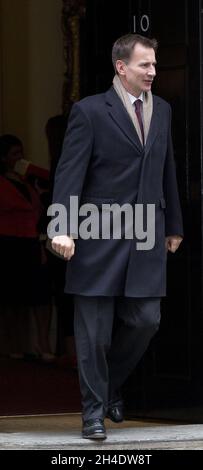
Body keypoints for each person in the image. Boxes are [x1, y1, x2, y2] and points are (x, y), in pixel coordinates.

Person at [50, 34, 183, 440]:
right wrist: (62, 226)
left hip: (145, 231)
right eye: (146, 65)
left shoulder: (162, 110)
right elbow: (69, 173)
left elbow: (167, 167)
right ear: (121, 67)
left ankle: (107, 390)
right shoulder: (89, 112)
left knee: (146, 319)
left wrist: (174, 224)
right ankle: (93, 414)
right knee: (94, 332)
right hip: (95, 233)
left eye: (155, 64)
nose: (154, 72)